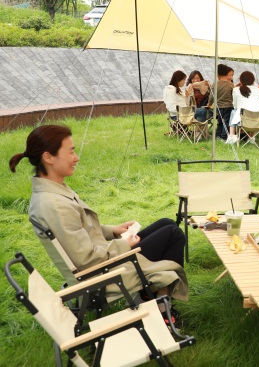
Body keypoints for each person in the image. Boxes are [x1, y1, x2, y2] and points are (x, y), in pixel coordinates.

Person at [9, 125, 189, 320]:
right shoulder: (54, 205)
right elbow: (86, 259)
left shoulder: (52, 192)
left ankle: (152, 293)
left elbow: (78, 229)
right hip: (102, 274)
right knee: (173, 234)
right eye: (70, 152)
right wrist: (123, 244)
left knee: (166, 223)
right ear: (48, 157)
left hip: (102, 261)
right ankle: (160, 305)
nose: (76, 157)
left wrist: (114, 231)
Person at [226, 70, 259, 144]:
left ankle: (231, 135)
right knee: (254, 111)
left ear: (241, 80)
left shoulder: (236, 90)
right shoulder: (258, 90)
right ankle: (252, 137)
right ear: (253, 81)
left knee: (233, 111)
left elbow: (235, 105)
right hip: (258, 119)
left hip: (243, 119)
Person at [207, 64, 234, 140]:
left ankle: (218, 135)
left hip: (219, 107)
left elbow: (211, 96)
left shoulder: (215, 84)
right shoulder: (231, 84)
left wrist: (209, 104)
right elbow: (233, 96)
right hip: (229, 106)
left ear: (218, 74)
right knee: (226, 122)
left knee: (220, 121)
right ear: (227, 73)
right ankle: (224, 136)